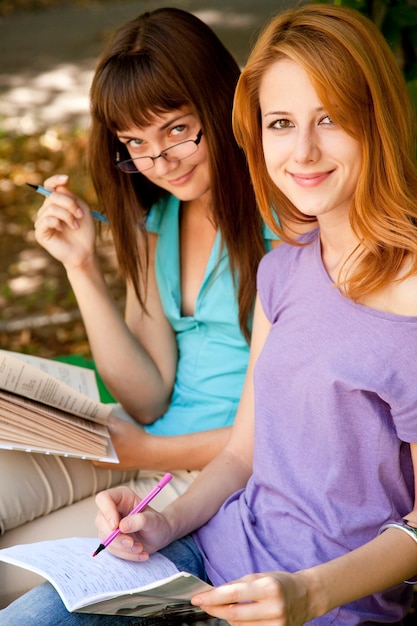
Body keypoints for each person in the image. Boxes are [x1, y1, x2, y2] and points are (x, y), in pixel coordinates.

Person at [5, 3, 417, 624]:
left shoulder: (316, 254)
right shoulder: (286, 268)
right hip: (209, 536)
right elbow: (245, 451)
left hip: (311, 590)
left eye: (329, 118)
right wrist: (165, 522)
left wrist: (312, 592)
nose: (302, 150)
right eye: (280, 122)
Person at [0, 6, 279, 607]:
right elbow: (148, 395)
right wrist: (81, 266)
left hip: (199, 479)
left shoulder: (283, 227)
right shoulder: (164, 215)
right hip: (132, 446)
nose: (160, 162)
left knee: (10, 578)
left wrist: (141, 451)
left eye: (177, 130)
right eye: (136, 143)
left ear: (221, 102)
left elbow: (272, 434)